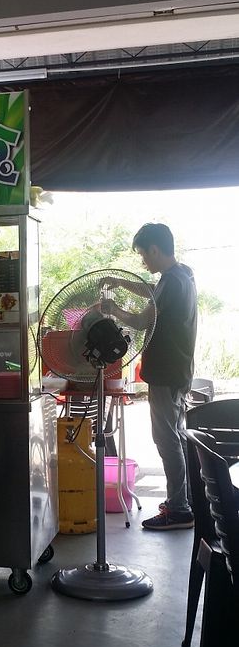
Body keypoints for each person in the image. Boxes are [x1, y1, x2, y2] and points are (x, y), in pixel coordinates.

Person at [103, 223, 197, 531]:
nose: (144, 262)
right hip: (178, 371)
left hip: (167, 373)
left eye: (144, 254)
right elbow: (150, 292)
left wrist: (113, 308)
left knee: (166, 439)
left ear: (155, 250)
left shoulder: (172, 282)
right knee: (176, 437)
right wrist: (120, 282)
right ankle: (184, 500)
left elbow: (144, 319)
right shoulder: (181, 275)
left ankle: (180, 509)